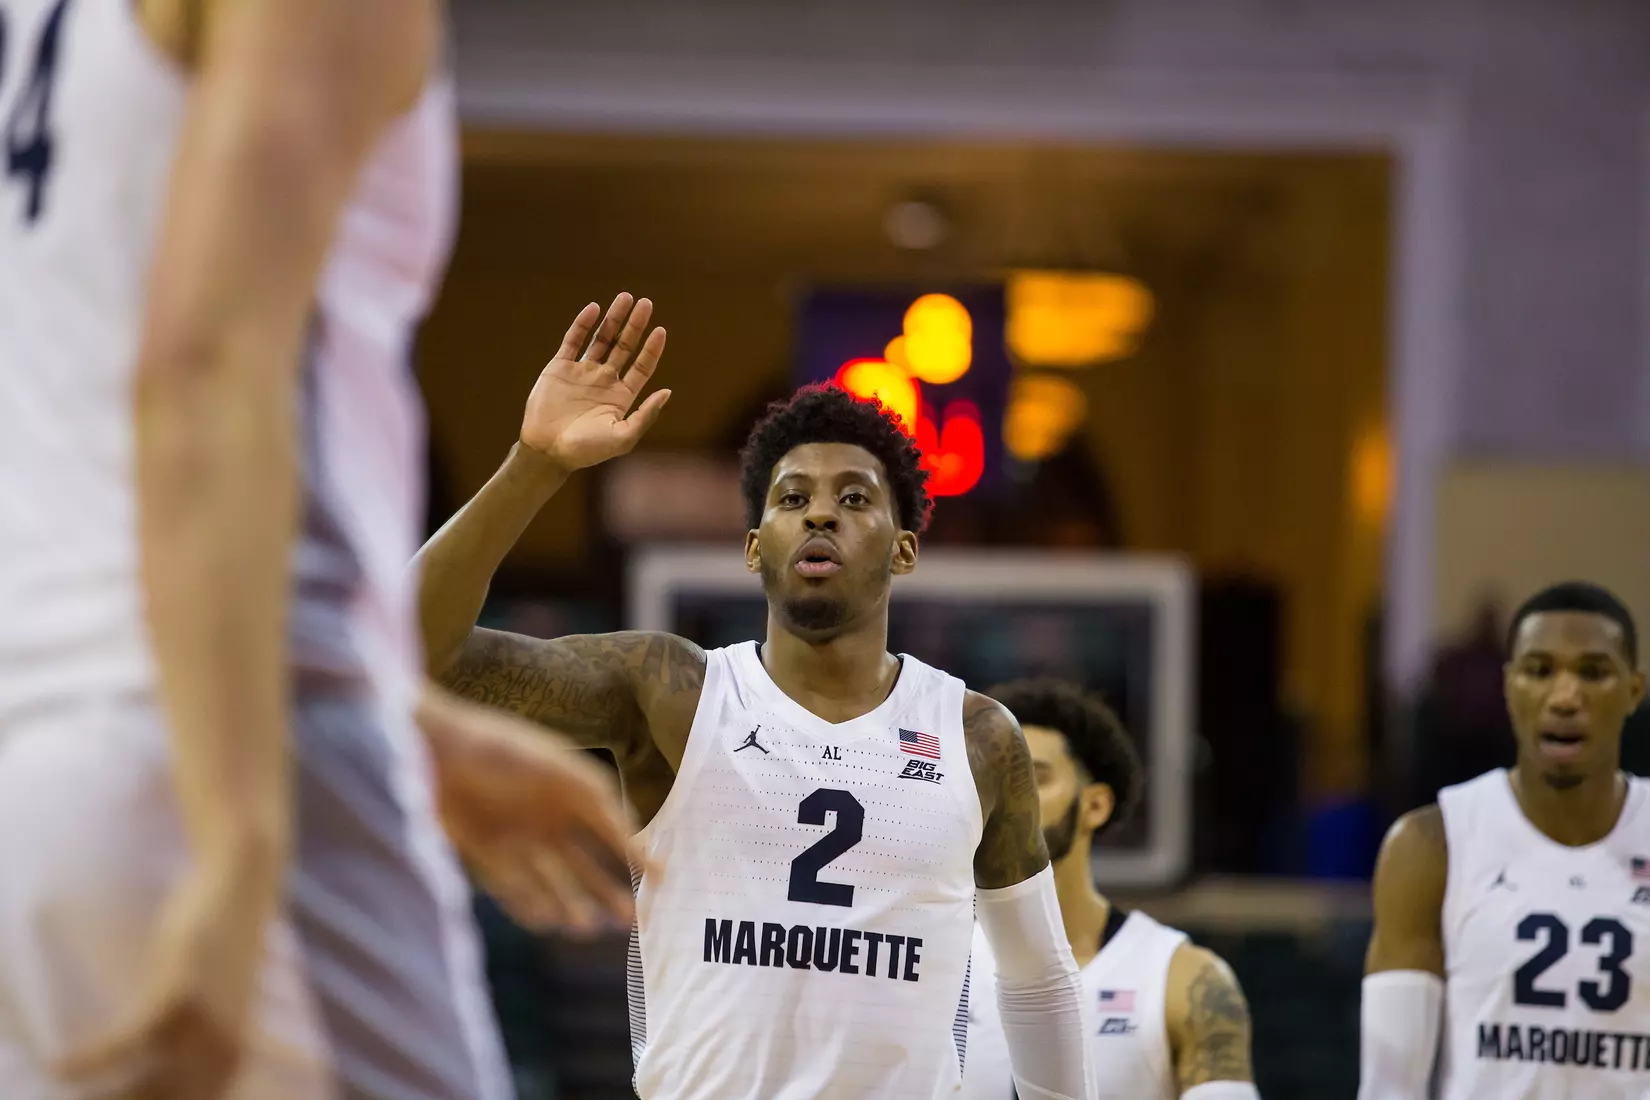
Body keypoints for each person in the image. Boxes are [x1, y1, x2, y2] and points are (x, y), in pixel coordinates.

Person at [0, 2, 635, 1098]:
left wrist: (411, 718)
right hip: (229, 751)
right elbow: (203, 370)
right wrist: (240, 846)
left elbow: (68, 432)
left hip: (38, 757)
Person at [415, 313, 1096, 1100]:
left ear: (904, 547)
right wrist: (533, 464)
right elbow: (410, 652)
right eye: (792, 497)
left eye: (855, 498)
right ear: (753, 545)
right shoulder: (670, 692)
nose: (819, 513)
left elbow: (1038, 982)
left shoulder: (977, 738)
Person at [1359, 581, 1650, 1100]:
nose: (1565, 697)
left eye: (1593, 672)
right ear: (1509, 685)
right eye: (1539, 670)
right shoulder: (1432, 844)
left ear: (1634, 690)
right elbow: (1389, 1088)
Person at [962, 678, 1260, 1100]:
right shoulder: (935, 957)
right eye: (990, 780)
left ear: (1095, 804)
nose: (1006, 801)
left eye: (1032, 779)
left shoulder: (1184, 978)